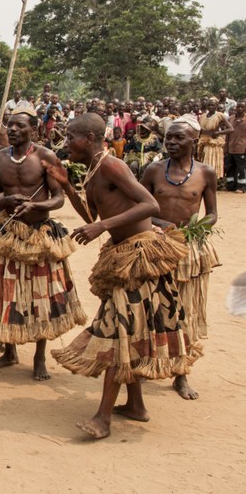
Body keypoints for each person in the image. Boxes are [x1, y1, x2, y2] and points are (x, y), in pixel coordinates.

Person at [46, 113, 198, 440]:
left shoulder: (112, 165)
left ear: (88, 138)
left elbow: (150, 205)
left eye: (70, 136)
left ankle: (103, 418)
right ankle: (136, 405)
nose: (65, 141)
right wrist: (67, 186)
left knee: (118, 332)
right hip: (123, 255)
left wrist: (102, 226)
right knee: (128, 331)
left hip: (140, 257)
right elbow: (91, 215)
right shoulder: (93, 170)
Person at [0, 105, 86, 381]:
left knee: (41, 297)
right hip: (9, 234)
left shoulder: (46, 157)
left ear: (32, 130)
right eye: (9, 125)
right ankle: (9, 351)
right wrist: (5, 202)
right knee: (7, 293)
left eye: (19, 126)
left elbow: (58, 198)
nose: (12, 129)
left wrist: (35, 204)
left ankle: (39, 357)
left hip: (39, 235)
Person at [141, 114, 220, 400]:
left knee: (182, 311)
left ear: (194, 141)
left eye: (178, 137)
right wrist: (162, 226)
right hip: (156, 246)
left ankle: (181, 374)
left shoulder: (206, 173)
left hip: (188, 252)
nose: (171, 142)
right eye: (168, 137)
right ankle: (146, 362)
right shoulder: (153, 170)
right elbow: (141, 206)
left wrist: (194, 229)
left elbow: (211, 214)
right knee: (151, 308)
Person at [198, 98, 233, 180]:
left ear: (216, 106)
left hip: (213, 143)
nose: (210, 106)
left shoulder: (220, 115)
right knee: (202, 161)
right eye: (209, 105)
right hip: (203, 141)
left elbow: (231, 129)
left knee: (210, 161)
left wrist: (218, 133)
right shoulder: (202, 116)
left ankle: (211, 181)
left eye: (213, 105)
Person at [226, 100, 246, 192]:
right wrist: (225, 147)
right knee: (230, 167)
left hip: (241, 148)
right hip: (230, 148)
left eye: (242, 106)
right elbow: (227, 134)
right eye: (238, 106)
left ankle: (241, 186)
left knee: (241, 168)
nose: (240, 108)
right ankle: (231, 185)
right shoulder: (231, 118)